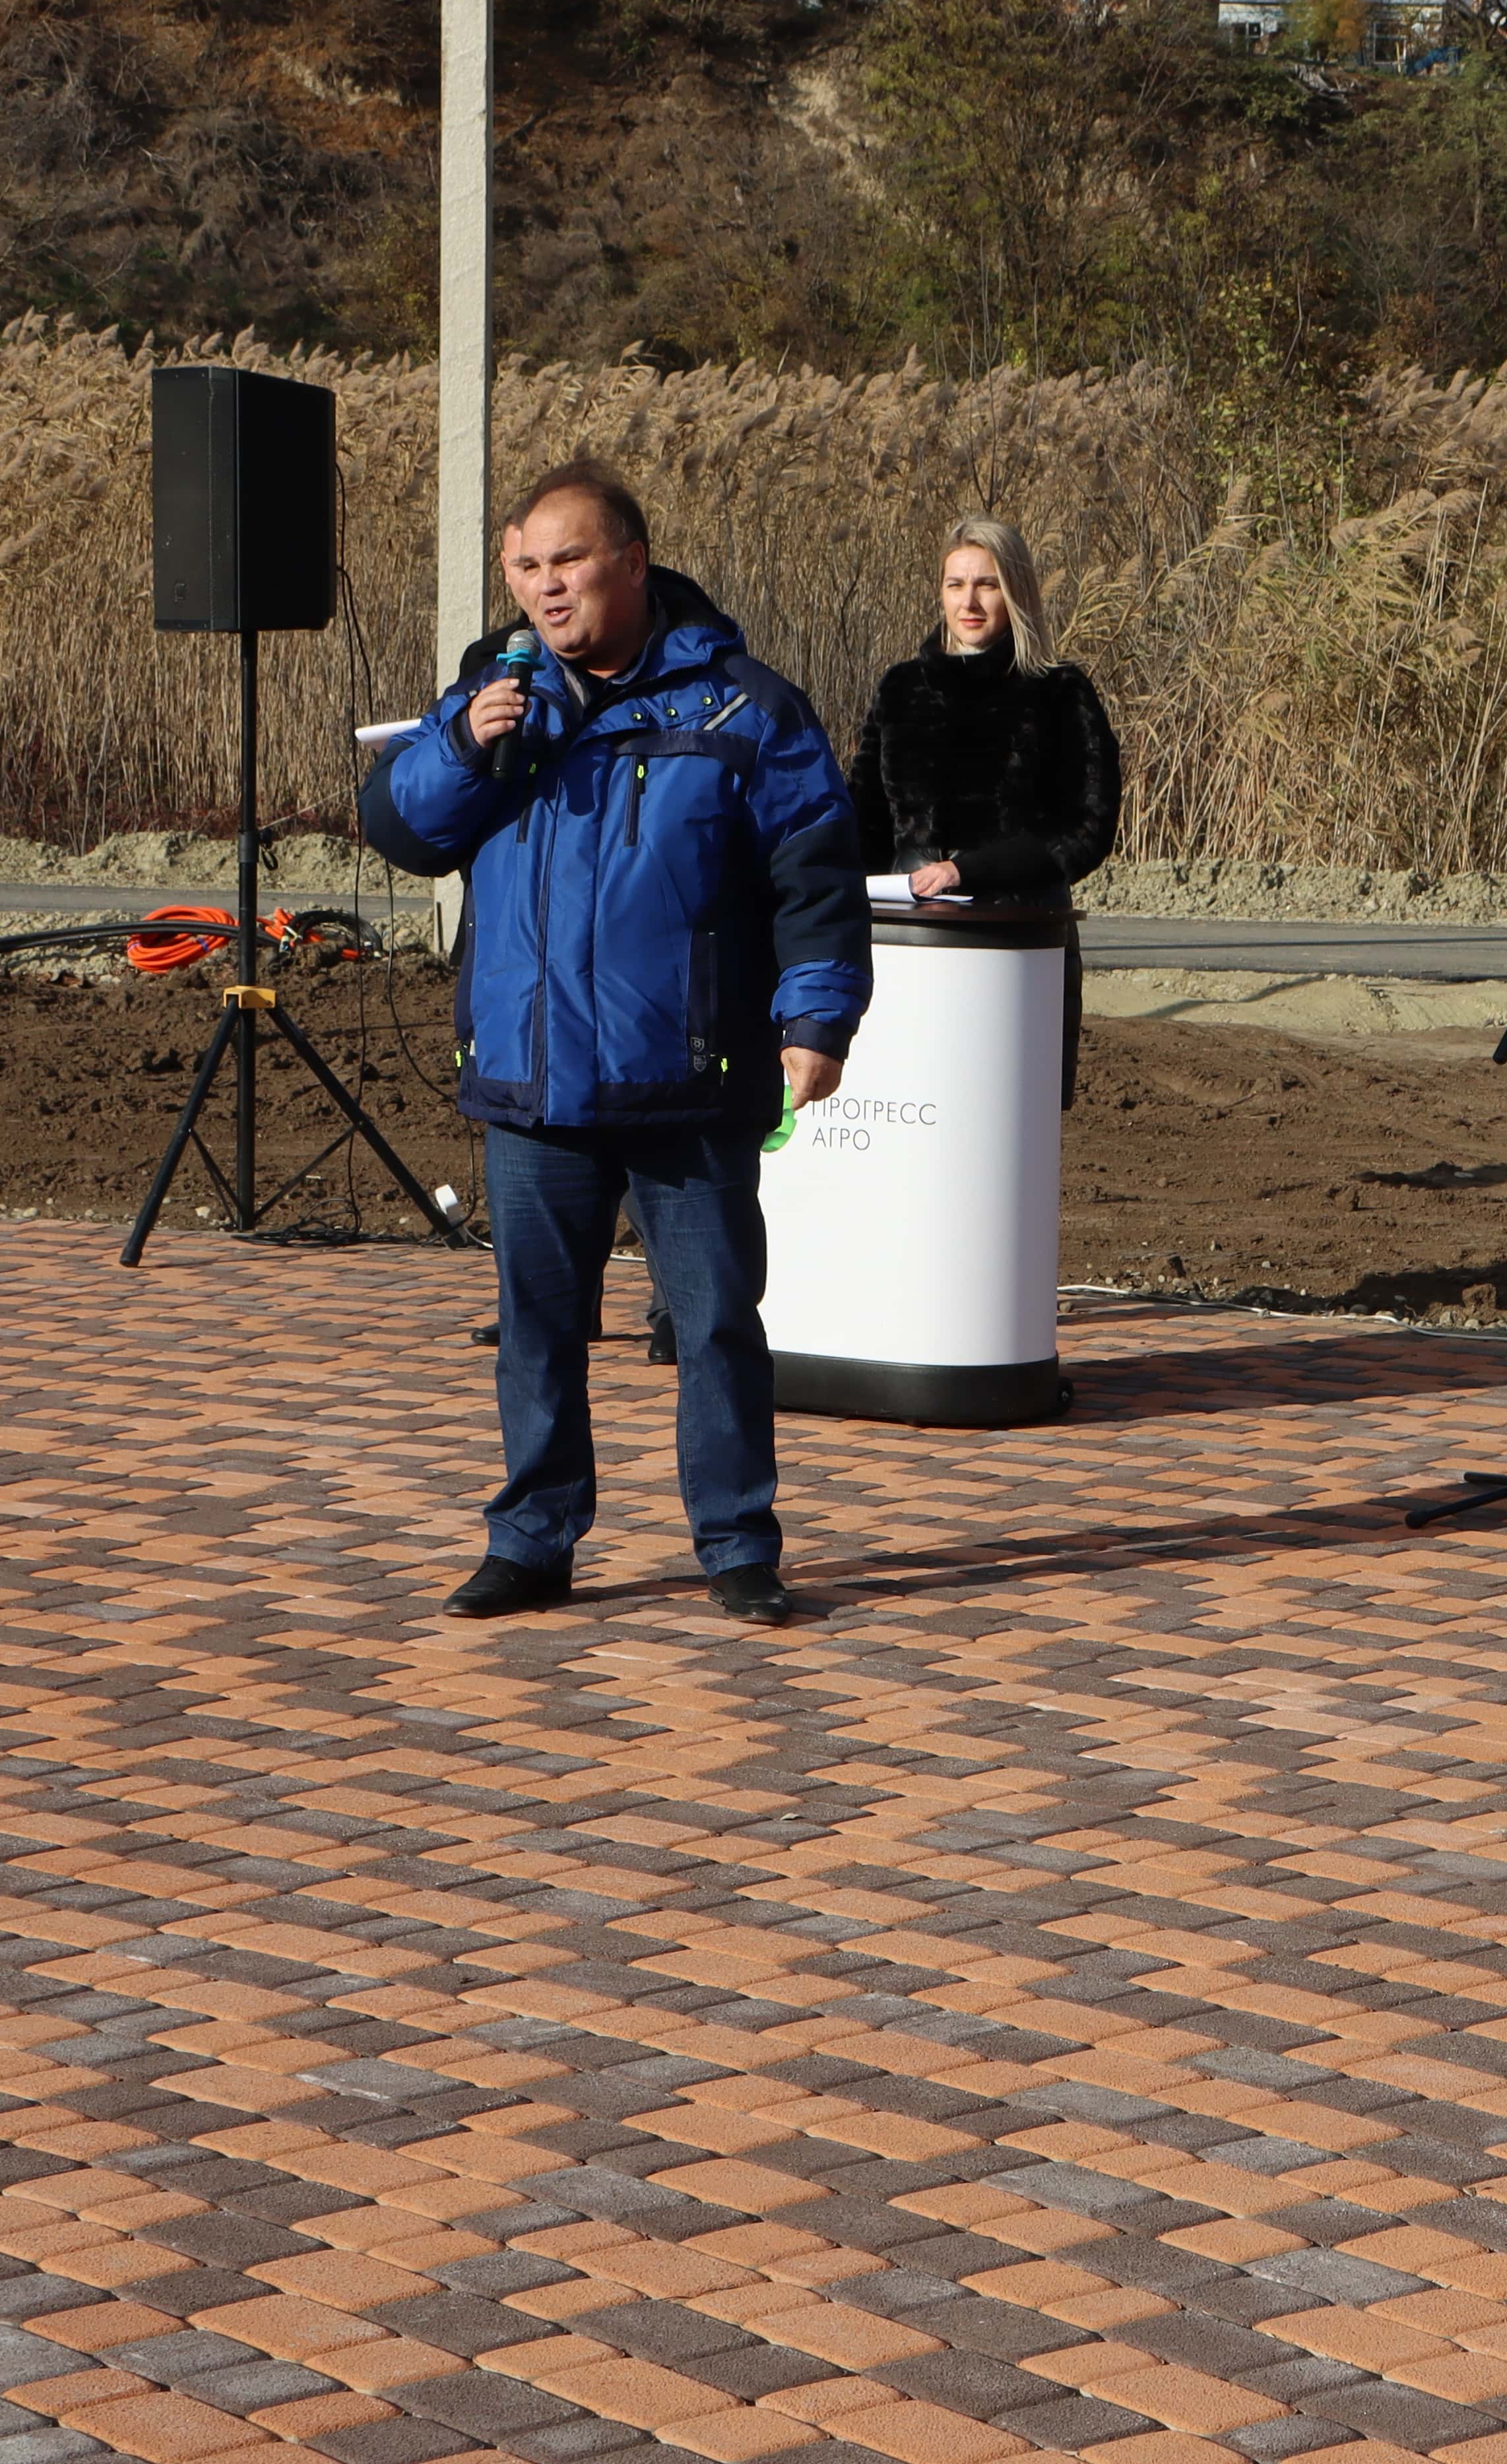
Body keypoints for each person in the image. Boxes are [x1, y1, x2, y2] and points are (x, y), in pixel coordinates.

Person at [366, 462, 872, 1627]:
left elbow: (815, 875)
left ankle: (738, 1546)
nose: (547, 589)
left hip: (688, 1080)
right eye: (526, 568)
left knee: (714, 1326)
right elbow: (401, 830)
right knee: (539, 1332)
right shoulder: (490, 696)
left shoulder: (744, 709)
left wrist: (816, 1020)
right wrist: (461, 741)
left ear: (633, 563)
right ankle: (532, 1543)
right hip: (532, 1080)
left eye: (570, 562)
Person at [850, 518, 1122, 1100]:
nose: (968, 601)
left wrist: (971, 871)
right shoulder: (900, 689)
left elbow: (1089, 828)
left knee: (1000, 1123)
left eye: (987, 584)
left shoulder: (1060, 692)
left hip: (1018, 939)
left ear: (1016, 591)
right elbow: (864, 821)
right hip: (906, 942)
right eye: (955, 584)